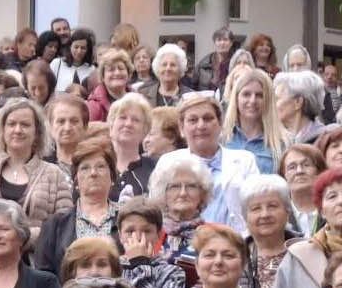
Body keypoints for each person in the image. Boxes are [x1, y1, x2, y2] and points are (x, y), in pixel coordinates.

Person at [0, 99, 73, 263]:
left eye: (25, 124)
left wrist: (20, 236)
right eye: (11, 124)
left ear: (37, 132)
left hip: (33, 263)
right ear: (2, 129)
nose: (17, 130)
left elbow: (64, 226)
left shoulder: (54, 175)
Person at [163, 95, 260, 235]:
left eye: (208, 118)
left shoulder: (245, 160)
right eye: (193, 120)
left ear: (220, 123)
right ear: (182, 129)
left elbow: (255, 205)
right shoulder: (169, 162)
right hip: (182, 245)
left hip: (235, 241)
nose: (201, 126)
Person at [35, 135, 121, 275]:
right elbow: (44, 276)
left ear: (112, 176)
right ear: (76, 181)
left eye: (100, 166)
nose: (93, 173)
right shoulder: (54, 225)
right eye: (85, 168)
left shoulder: (127, 219)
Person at [192, 223, 288, 288]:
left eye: (228, 255)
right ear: (197, 265)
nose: (218, 261)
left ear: (243, 264)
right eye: (209, 255)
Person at [241, 175, 299, 288]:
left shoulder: (306, 251)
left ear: (287, 212)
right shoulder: (235, 255)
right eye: (256, 208)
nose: (265, 214)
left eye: (272, 206)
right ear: (245, 217)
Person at [223, 69, 288, 175]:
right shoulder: (222, 138)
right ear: (236, 98)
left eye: (259, 95)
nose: (252, 101)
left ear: (268, 100)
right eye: (246, 94)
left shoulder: (283, 142)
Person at [107, 92, 155, 200]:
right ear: (111, 126)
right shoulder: (97, 165)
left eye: (136, 120)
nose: (128, 124)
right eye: (122, 118)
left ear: (145, 131)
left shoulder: (155, 169)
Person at [278, 144, 326, 237]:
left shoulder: (332, 210)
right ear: (284, 176)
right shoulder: (279, 215)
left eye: (306, 165)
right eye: (292, 167)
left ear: (319, 172)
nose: (299, 171)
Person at [272, 70, 326, 145]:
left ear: (298, 102)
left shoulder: (324, 141)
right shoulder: (275, 139)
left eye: (277, 99)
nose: (272, 104)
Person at [87, 49, 134, 123]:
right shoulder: (94, 106)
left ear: (128, 74)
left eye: (121, 68)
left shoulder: (139, 100)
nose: (117, 73)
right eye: (111, 70)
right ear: (103, 76)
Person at [46, 94, 88, 176]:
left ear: (85, 126)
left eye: (74, 121)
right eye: (61, 121)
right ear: (51, 127)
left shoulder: (96, 163)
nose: (67, 128)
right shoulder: (39, 167)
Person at [142, 44, 191, 108]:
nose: (168, 68)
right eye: (164, 64)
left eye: (173, 65)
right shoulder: (143, 94)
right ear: (158, 69)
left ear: (180, 69)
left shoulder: (190, 96)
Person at [51, 27, 96, 94]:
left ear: (87, 50)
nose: (79, 51)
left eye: (83, 48)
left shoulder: (92, 69)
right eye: (76, 47)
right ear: (70, 47)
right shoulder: (57, 63)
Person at [192, 27, 236, 92]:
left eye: (225, 40)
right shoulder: (203, 64)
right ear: (214, 43)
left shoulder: (237, 63)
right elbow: (193, 87)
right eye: (219, 40)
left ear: (231, 43)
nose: (222, 43)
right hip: (207, 101)